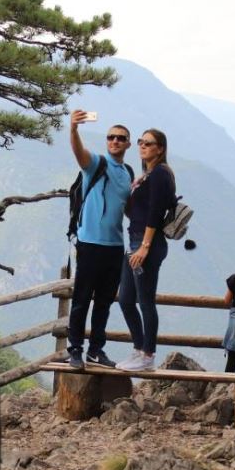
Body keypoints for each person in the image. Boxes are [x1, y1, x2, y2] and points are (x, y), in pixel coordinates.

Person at [65, 110, 134, 369]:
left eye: (121, 138)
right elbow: (78, 153)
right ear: (107, 142)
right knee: (82, 299)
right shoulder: (96, 163)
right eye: (111, 137)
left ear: (128, 143)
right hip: (90, 243)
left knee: (104, 302)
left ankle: (96, 350)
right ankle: (75, 350)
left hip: (115, 246)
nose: (115, 141)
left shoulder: (127, 173)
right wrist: (73, 129)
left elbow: (126, 208)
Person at [116, 128, 175, 372]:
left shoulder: (161, 173)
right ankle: (139, 348)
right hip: (134, 241)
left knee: (145, 301)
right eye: (140, 142)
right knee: (126, 299)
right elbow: (137, 211)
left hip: (146, 243)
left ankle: (147, 355)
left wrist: (144, 247)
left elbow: (155, 212)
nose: (142, 146)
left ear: (160, 148)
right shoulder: (147, 175)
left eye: (148, 143)